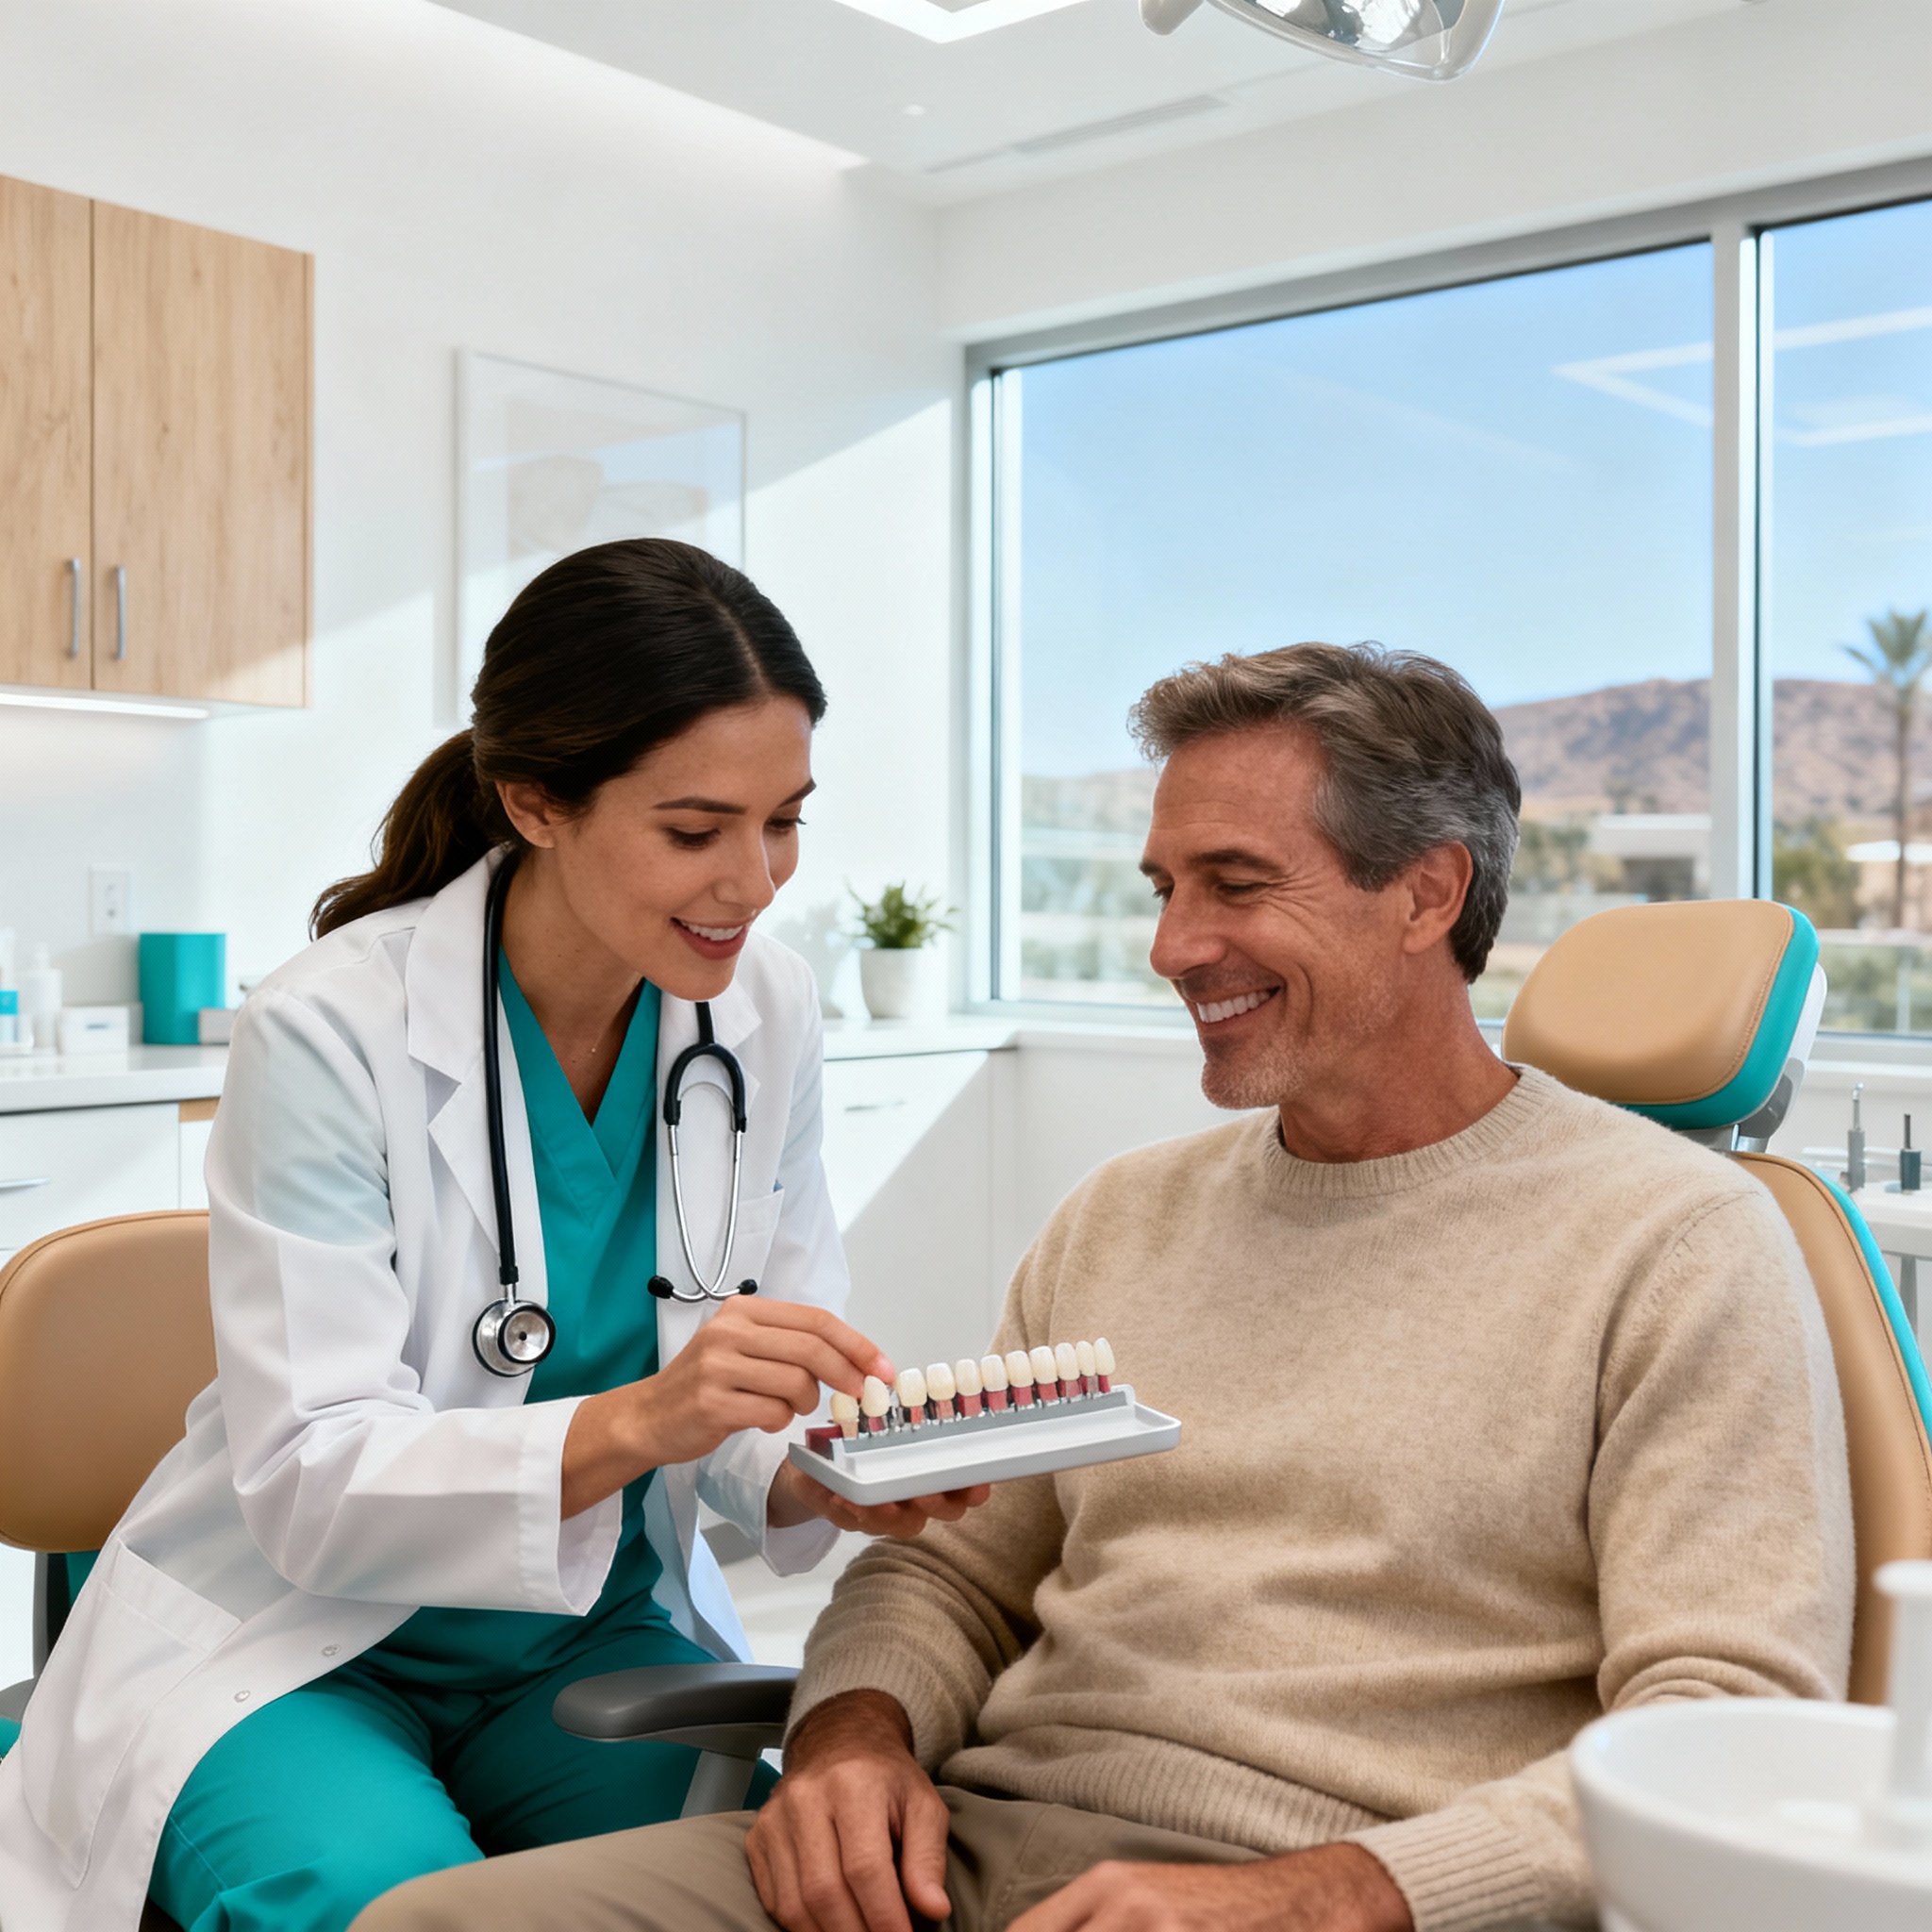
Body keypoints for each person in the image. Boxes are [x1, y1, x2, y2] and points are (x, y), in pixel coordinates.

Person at [358, 641, 1855, 1932]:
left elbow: (1728, 1727)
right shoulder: (1125, 1217)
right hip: (969, 1853)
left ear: (1426, 893)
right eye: (1163, 887)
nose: (1173, 946)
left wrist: (1331, 1894)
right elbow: (947, 1568)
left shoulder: (1678, 1244)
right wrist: (851, 1741)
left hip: (1333, 1891)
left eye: (1236, 886)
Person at [0, 540, 985, 1932]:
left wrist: (823, 1476)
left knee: (783, 1892)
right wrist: (644, 1418)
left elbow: (759, 1369)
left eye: (785, 822)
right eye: (695, 831)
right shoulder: (329, 1028)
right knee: (387, 1907)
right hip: (297, 1640)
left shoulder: (763, 1010)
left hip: (584, 1629)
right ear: (535, 801)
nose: (755, 881)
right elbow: (311, 1478)